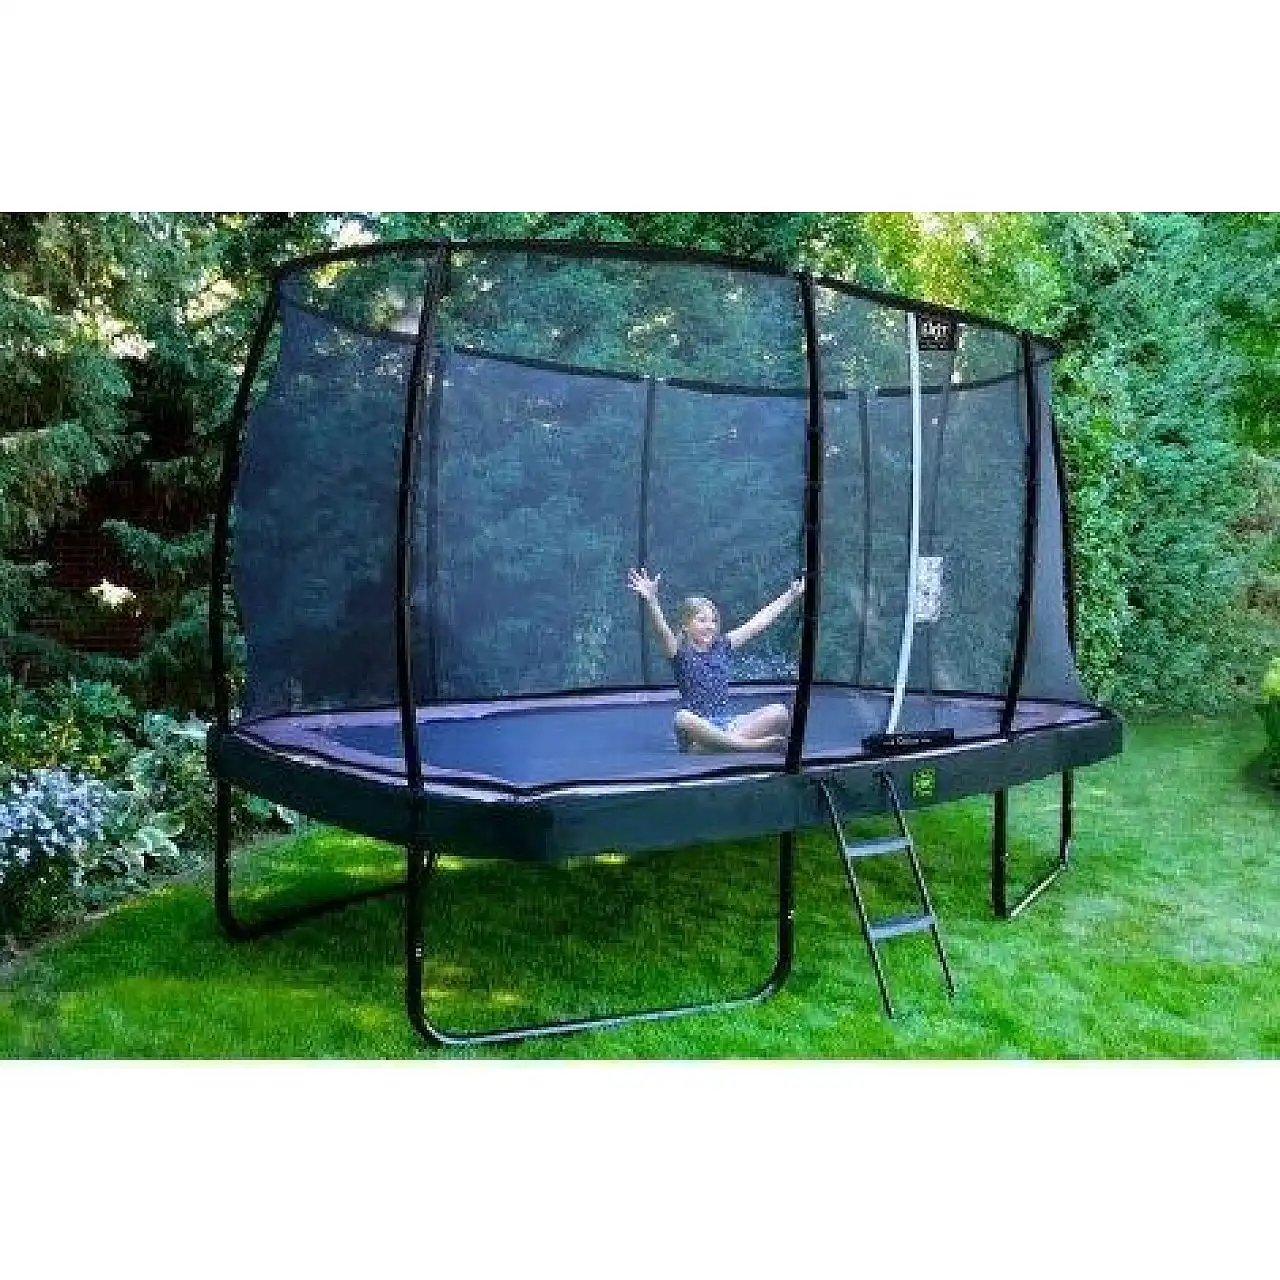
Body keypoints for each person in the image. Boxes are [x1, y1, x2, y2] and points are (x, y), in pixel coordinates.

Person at [627, 566, 805, 753]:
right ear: (686, 626)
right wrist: (652, 601)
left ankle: (712, 747)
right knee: (682, 718)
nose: (710, 626)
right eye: (702, 620)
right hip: (698, 729)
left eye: (713, 621)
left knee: (779, 712)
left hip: (727, 725)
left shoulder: (723, 646)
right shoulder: (680, 653)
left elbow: (758, 622)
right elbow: (661, 631)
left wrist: (790, 596)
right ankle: (753, 745)